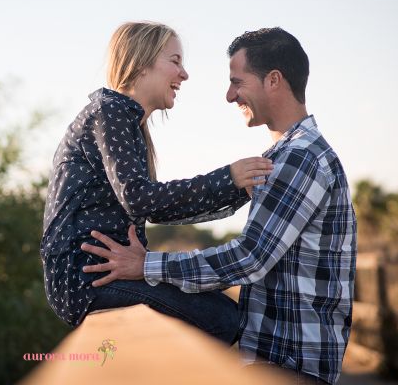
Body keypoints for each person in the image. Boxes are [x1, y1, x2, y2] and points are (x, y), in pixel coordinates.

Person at [81, 27, 356, 385]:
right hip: (283, 359)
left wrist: (146, 265)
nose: (229, 96)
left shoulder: (301, 158)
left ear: (273, 80)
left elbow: (249, 258)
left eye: (237, 82)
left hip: (289, 363)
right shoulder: (289, 156)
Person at [40, 21, 273, 344]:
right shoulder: (111, 112)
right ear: (140, 63)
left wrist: (235, 190)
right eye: (175, 61)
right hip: (85, 279)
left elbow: (155, 210)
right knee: (223, 319)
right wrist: (228, 178)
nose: (184, 74)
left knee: (226, 313)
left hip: (103, 274)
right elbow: (140, 199)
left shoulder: (123, 118)